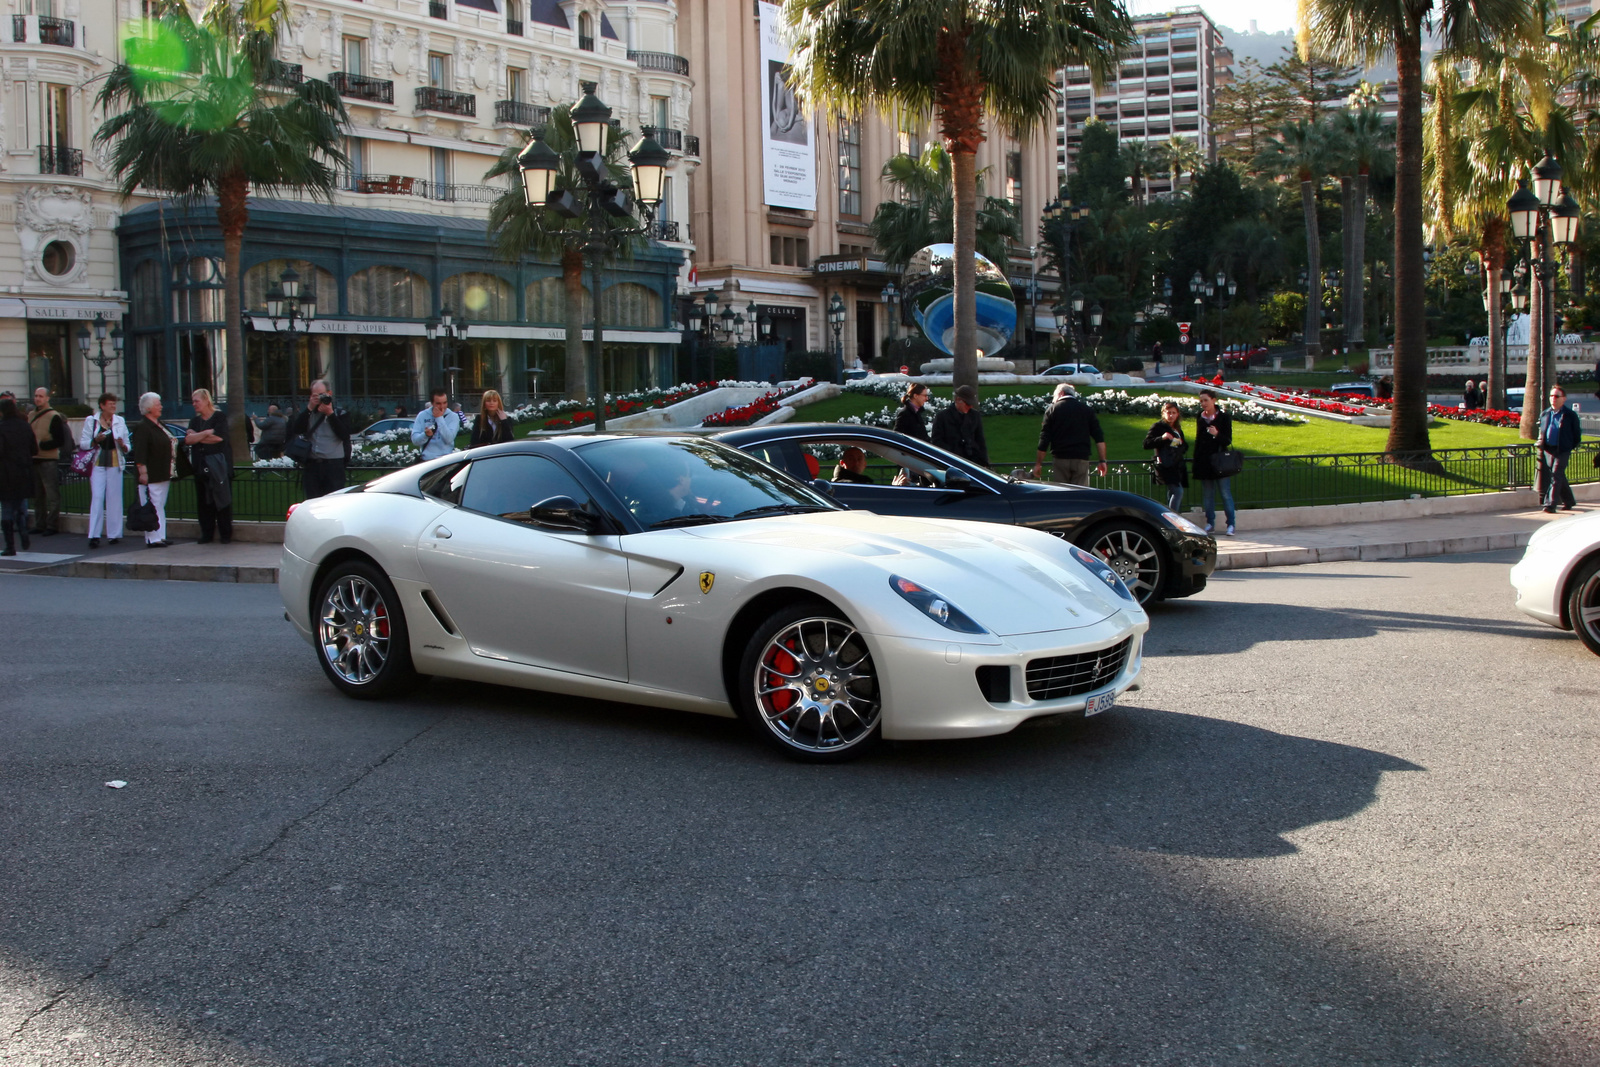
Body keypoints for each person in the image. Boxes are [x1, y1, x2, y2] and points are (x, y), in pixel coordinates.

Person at [80, 392, 131, 548]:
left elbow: (128, 446)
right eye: (111, 404)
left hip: (115, 461)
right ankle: (94, 534)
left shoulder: (120, 421)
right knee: (97, 496)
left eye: (115, 404)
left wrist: (123, 445)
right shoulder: (92, 421)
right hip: (98, 462)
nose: (114, 406)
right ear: (102, 405)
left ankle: (114, 534)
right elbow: (83, 444)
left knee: (114, 498)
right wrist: (96, 440)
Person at [1032, 383, 1107, 485]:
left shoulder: (1052, 410)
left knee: (1062, 493)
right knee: (1080, 494)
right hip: (1081, 458)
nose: (1054, 399)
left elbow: (1044, 439)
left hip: (1060, 458)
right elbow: (1099, 438)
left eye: (1055, 396)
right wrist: (1102, 461)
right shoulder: (1086, 410)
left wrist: (1038, 464)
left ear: (1061, 393)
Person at [287, 381, 352, 499]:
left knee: (333, 500)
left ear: (329, 394)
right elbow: (296, 429)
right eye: (314, 395)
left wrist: (330, 414)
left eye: (322, 395)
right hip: (312, 464)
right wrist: (309, 408)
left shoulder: (340, 413)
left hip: (333, 464)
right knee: (313, 500)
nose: (319, 399)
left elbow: (344, 435)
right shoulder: (308, 414)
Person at [185, 388, 233, 544]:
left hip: (218, 467)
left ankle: (225, 534)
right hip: (200, 466)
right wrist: (206, 433)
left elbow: (219, 438)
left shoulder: (219, 417)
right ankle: (207, 533)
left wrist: (198, 436)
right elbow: (189, 440)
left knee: (222, 498)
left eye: (196, 401)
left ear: (206, 400)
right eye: (192, 401)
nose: (194, 404)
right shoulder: (195, 421)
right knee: (204, 501)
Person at [130, 391, 174, 548]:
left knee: (160, 505)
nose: (161, 407)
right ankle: (152, 537)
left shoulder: (160, 425)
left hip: (163, 472)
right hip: (151, 474)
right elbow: (140, 452)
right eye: (157, 404)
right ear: (149, 408)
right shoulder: (142, 427)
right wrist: (143, 472)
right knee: (152, 506)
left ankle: (160, 535)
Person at [1191, 390, 1236, 536]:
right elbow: (1198, 440)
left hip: (1220, 462)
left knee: (1225, 493)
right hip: (1205, 461)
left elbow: (1227, 440)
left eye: (1206, 400)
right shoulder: (1200, 417)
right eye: (1201, 401)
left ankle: (1231, 524)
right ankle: (1210, 523)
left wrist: (1216, 434)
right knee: (1208, 494)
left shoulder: (1223, 418)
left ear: (1213, 400)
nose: (1203, 404)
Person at [0, 396, 38, 556]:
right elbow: (34, 449)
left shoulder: (1, 428)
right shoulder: (25, 426)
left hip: (6, 472)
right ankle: (23, 527)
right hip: (24, 470)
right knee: (21, 504)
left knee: (7, 508)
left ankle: (10, 546)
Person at [28, 386, 69, 536]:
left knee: (52, 494)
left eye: (40, 396)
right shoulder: (31, 414)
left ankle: (52, 525)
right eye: (36, 395)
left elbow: (59, 440)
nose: (38, 398)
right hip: (35, 458)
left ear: (47, 398)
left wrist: (41, 445)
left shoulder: (53, 416)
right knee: (38, 495)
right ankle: (40, 524)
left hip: (48, 459)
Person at [1537, 385, 1582, 513]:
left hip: (1562, 450)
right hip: (1548, 450)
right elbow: (1542, 431)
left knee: (1556, 475)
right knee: (1558, 475)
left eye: (1557, 396)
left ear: (1564, 399)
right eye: (1551, 396)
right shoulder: (1545, 414)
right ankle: (1569, 501)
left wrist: (1568, 446)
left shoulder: (1570, 415)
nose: (1553, 399)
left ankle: (1550, 504)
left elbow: (1577, 435)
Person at [1144, 400, 1189, 512]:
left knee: (1173, 492)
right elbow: (1146, 444)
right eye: (1168, 413)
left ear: (1177, 414)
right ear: (1163, 413)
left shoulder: (1177, 428)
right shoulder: (1158, 427)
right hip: (1166, 463)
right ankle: (1173, 518)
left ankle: (1170, 515)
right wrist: (1162, 438)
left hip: (1177, 463)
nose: (1171, 415)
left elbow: (1184, 445)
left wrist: (1176, 442)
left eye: (1173, 413)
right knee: (1178, 491)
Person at [931, 384, 989, 467]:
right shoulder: (942, 417)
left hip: (972, 461)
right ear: (958, 400)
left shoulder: (975, 415)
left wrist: (984, 462)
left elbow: (980, 440)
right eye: (968, 404)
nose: (970, 407)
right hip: (951, 461)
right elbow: (937, 441)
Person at [412, 388, 462, 461]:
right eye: (438, 403)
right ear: (432, 403)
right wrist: (425, 435)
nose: (442, 407)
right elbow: (415, 440)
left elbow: (449, 439)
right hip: (427, 460)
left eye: (445, 403)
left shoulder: (453, 416)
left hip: (446, 460)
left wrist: (439, 418)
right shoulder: (422, 415)